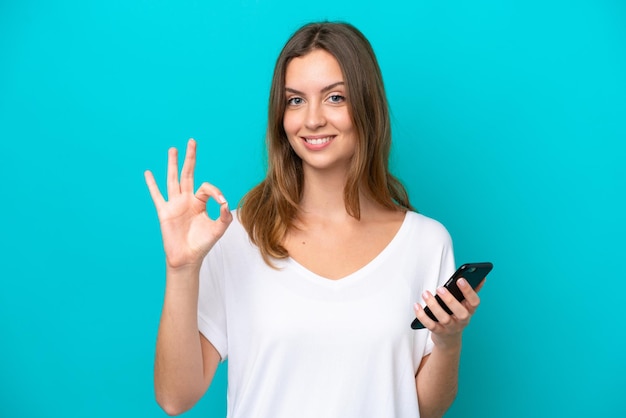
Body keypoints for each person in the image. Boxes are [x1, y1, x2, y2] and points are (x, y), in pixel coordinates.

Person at [144, 21, 482, 418]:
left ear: (366, 105)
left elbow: (421, 408)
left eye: (335, 97)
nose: (313, 119)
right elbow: (175, 397)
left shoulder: (426, 242)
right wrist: (181, 269)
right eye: (295, 101)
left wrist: (449, 342)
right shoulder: (236, 235)